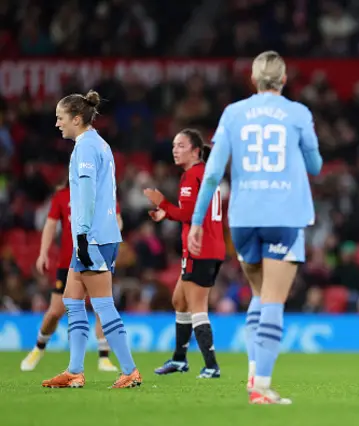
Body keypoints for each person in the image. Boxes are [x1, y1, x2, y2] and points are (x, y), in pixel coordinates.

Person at [188, 50, 322, 404]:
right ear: (284, 79)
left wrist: (197, 221)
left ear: (253, 78)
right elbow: (316, 165)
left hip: (244, 218)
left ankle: (253, 371)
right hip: (284, 215)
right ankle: (261, 387)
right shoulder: (297, 113)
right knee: (274, 300)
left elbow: (213, 172)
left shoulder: (233, 113)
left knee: (259, 295)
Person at [42, 90, 141, 389]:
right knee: (72, 301)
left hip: (92, 237)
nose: (57, 124)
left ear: (76, 118)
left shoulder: (85, 148)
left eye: (60, 118)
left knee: (102, 305)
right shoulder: (100, 144)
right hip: (98, 235)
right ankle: (74, 371)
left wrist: (82, 236)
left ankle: (130, 371)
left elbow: (84, 196)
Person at [145, 129, 226, 379]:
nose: (175, 150)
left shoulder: (192, 176)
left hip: (199, 249)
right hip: (209, 247)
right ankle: (179, 360)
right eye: (173, 145)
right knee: (179, 300)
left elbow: (191, 215)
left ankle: (211, 365)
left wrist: (163, 204)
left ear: (195, 151)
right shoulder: (206, 175)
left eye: (181, 145)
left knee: (197, 306)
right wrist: (166, 213)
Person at [21, 178, 122, 372]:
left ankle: (103, 358)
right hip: (67, 263)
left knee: (102, 306)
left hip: (96, 259)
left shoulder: (104, 194)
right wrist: (43, 253)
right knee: (56, 311)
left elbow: (117, 220)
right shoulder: (62, 196)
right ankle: (38, 348)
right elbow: (50, 225)